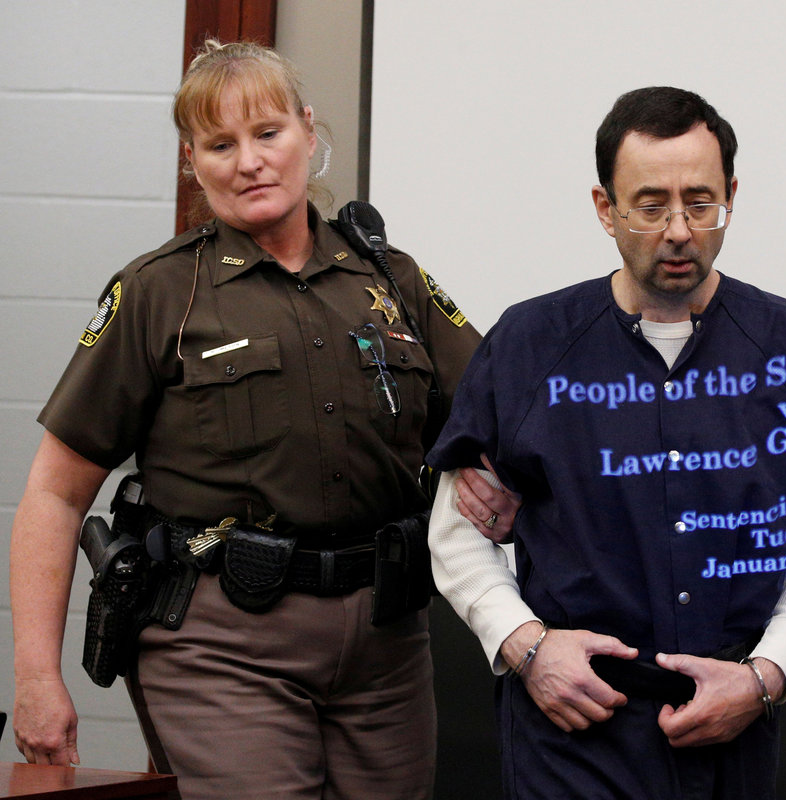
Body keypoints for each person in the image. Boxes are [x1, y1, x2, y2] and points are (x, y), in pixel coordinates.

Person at [9, 40, 512, 800]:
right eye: (221, 144)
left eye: (268, 133)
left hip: (387, 645)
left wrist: (482, 462)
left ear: (308, 131)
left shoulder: (390, 280)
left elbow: (493, 412)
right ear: (193, 160)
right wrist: (36, 678)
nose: (249, 162)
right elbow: (54, 493)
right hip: (223, 647)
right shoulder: (158, 292)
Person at [426, 86, 786, 798]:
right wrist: (527, 648)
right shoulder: (528, 345)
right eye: (650, 206)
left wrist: (766, 676)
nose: (679, 230)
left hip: (730, 726)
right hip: (572, 729)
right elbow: (457, 530)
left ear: (731, 196)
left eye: (700, 203)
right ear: (605, 207)